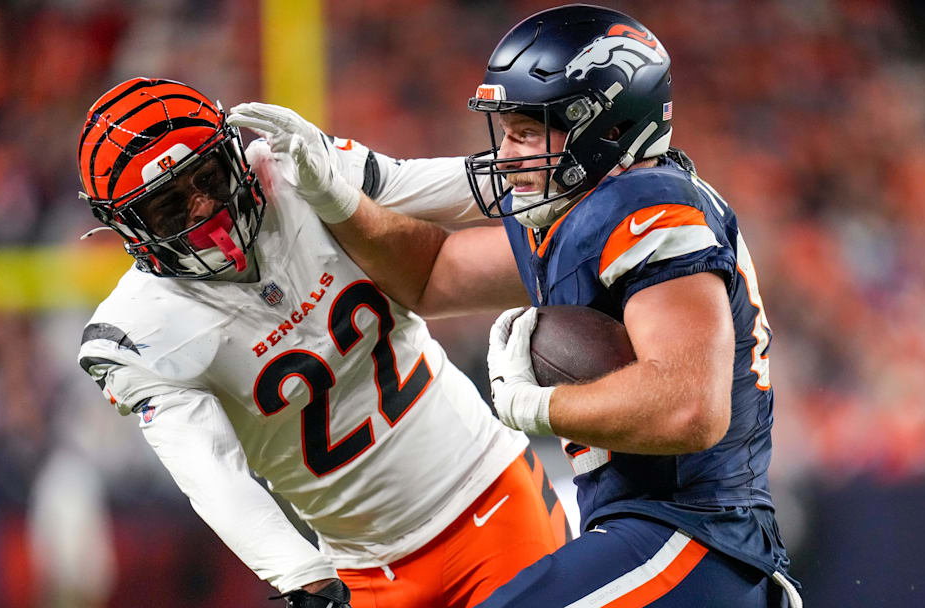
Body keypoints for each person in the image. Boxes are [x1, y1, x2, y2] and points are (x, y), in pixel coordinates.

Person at [231, 4, 803, 606]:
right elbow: (430, 276)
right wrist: (334, 195)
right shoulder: (577, 215)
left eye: (527, 132)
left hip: (697, 538)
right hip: (647, 532)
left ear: (606, 127)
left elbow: (692, 408)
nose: (507, 154)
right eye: (505, 131)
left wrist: (540, 406)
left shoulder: (650, 209)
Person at [75, 77, 570, 608]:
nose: (201, 211)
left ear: (234, 156)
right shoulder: (139, 331)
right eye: (169, 207)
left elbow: (465, 187)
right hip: (360, 567)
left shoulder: (294, 170)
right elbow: (212, 471)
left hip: (490, 496)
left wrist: (588, 177)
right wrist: (300, 573)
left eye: (208, 178)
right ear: (128, 227)